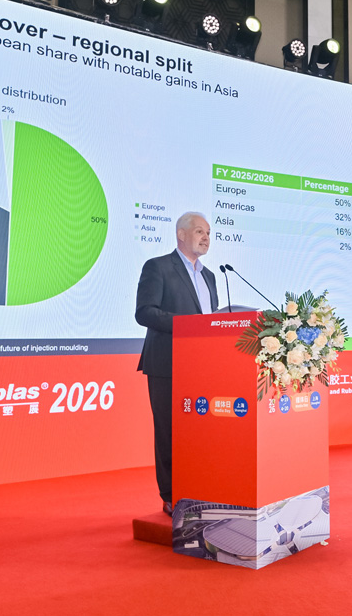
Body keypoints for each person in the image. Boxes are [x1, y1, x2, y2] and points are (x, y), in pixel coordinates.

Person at [136, 212, 219, 514]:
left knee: (199, 432)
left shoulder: (210, 276)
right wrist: (188, 325)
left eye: (208, 232)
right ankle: (172, 495)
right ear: (181, 234)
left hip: (203, 366)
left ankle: (199, 486)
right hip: (167, 364)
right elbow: (144, 312)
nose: (206, 237)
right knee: (169, 431)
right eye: (199, 231)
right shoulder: (158, 267)